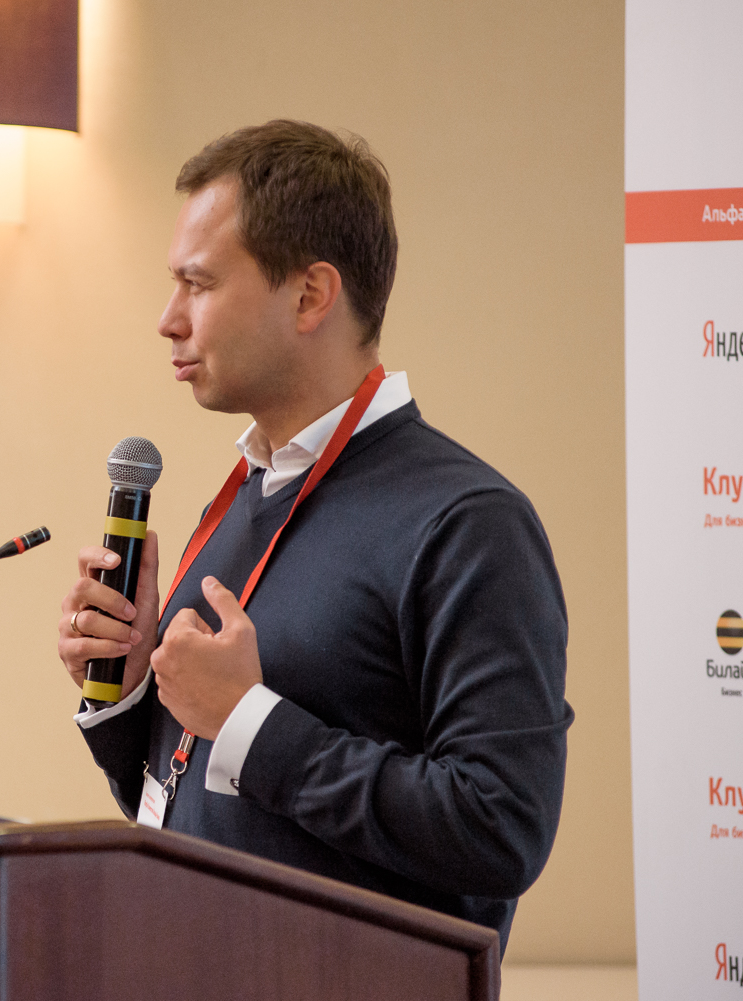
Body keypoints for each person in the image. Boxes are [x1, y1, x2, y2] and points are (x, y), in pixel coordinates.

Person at [56, 120, 571, 950]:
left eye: (198, 283)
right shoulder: (245, 497)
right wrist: (129, 688)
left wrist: (249, 719)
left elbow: (499, 826)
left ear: (309, 296)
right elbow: (206, 803)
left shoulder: (468, 522)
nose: (168, 319)